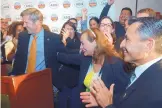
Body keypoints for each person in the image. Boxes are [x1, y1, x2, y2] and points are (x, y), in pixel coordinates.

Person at [80, 17, 162, 108]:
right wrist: (104, 100)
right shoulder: (140, 72)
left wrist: (108, 105)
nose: (122, 44)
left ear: (148, 45)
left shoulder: (157, 87)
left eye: (127, 39)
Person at [57, 28, 129, 108]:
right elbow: (67, 58)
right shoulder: (86, 59)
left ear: (95, 42)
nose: (81, 47)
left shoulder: (115, 64)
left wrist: (99, 101)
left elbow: (124, 95)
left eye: (83, 43)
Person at [11, 8, 66, 92]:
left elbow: (63, 60)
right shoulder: (23, 36)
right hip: (23, 82)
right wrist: (13, 74)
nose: (24, 26)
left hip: (45, 85)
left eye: (26, 22)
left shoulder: (54, 38)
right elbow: (19, 58)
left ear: (37, 22)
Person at [57, 21, 81, 108]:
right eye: (67, 29)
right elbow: (58, 55)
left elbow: (74, 53)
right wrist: (63, 42)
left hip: (76, 79)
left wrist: (67, 40)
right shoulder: (57, 41)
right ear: (63, 30)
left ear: (75, 31)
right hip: (62, 80)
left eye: (71, 29)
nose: (69, 31)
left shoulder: (79, 42)